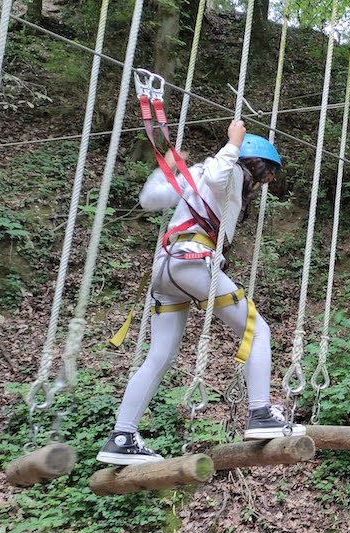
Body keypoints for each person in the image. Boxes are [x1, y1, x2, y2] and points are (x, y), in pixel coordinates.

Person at [97, 121, 303, 465]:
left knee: (159, 356)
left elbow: (149, 199)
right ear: (253, 165)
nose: (264, 184)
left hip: (167, 269)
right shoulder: (230, 171)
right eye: (265, 174)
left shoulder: (197, 173)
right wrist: (233, 143)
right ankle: (260, 413)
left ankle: (122, 436)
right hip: (193, 263)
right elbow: (220, 175)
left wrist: (168, 170)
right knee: (257, 329)